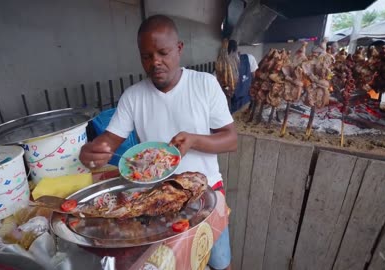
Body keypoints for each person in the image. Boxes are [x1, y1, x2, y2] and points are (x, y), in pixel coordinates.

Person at [79, 14, 238, 270]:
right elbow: (108, 141)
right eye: (146, 56)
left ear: (179, 48)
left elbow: (231, 140)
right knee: (171, 263)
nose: (155, 62)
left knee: (220, 262)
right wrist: (92, 151)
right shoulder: (133, 97)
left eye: (163, 52)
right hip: (157, 199)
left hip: (206, 192)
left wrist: (195, 140)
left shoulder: (205, 85)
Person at [227, 39, 258, 114]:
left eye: (235, 58)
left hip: (247, 99)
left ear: (238, 53)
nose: (234, 62)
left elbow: (254, 78)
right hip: (233, 104)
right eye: (231, 59)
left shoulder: (249, 59)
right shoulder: (224, 67)